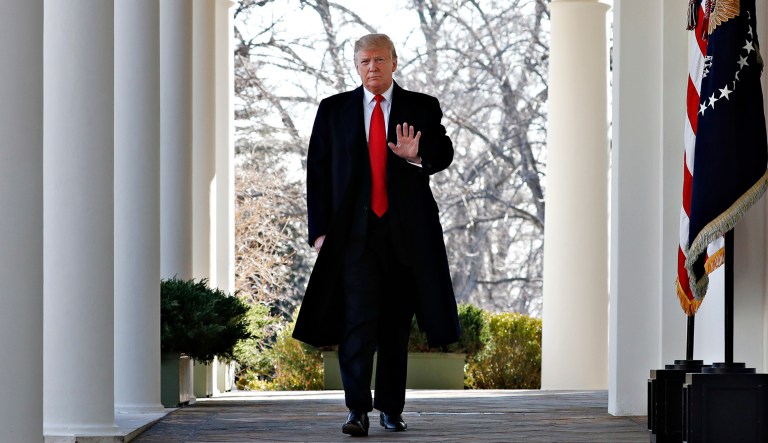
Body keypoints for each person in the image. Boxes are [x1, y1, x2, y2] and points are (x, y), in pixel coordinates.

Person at [292, 33, 460, 437]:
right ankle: (356, 410)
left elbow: (444, 152)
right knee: (357, 323)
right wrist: (319, 232)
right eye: (365, 61)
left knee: (395, 327)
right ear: (356, 66)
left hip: (406, 238)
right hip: (353, 238)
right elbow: (318, 171)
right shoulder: (333, 109)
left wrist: (417, 155)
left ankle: (390, 409)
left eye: (380, 60)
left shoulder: (422, 106)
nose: (373, 67)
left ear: (394, 63)